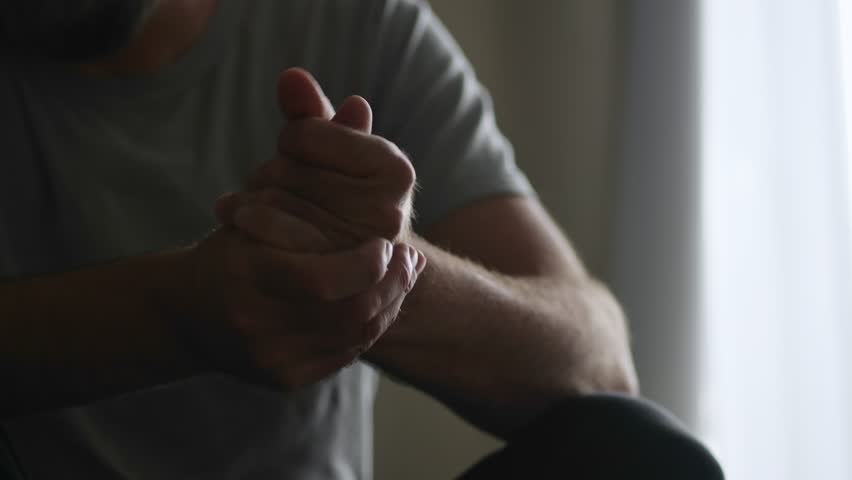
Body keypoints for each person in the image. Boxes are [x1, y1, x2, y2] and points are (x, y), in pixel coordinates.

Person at [0, 1, 722, 478]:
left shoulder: (351, 18)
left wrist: (378, 279)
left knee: (639, 458)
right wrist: (182, 312)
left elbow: (599, 360)